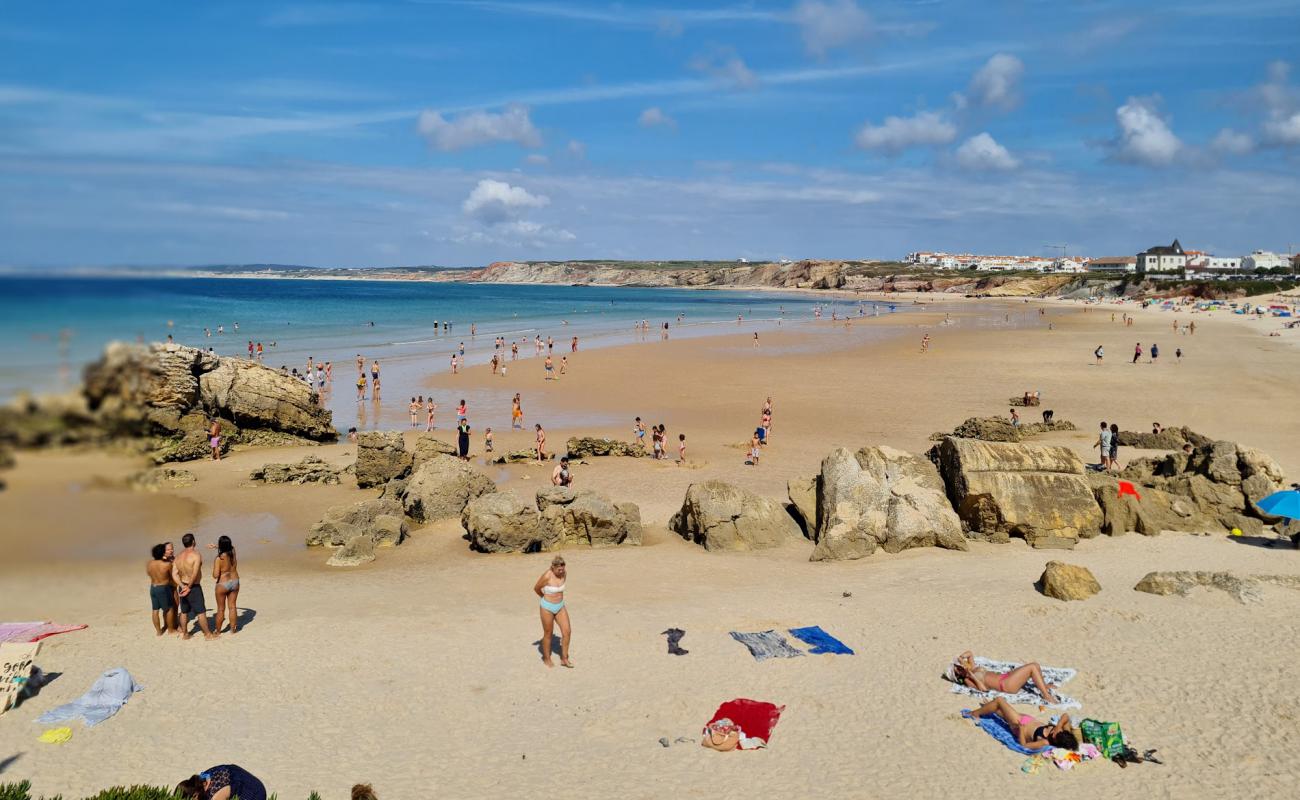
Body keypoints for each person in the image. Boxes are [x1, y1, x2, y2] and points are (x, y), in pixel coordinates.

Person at [948, 651, 1062, 704]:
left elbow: (970, 653)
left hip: (1006, 676)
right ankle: (1046, 695)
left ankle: (1043, 686)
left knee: (1035, 664)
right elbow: (983, 689)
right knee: (1032, 667)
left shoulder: (972, 667)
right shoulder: (968, 680)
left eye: (957, 667)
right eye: (957, 669)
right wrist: (971, 675)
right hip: (1006, 685)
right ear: (958, 676)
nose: (960, 668)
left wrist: (961, 658)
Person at [965, 699, 1077, 752]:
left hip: (1018, 724)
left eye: (1054, 737)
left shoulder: (1045, 741)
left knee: (999, 701)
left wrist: (1022, 730)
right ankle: (989, 706)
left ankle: (973, 714)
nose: (1053, 734)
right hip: (1022, 717)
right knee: (996, 708)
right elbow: (1066, 716)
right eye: (1057, 733)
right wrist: (1058, 727)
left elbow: (1024, 745)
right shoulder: (1062, 732)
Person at [173, 533, 216, 640]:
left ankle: (185, 634)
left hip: (182, 586)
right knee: (201, 611)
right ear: (193, 542)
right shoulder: (196, 555)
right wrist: (189, 587)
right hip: (193, 587)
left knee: (184, 611)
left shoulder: (178, 556)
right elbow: (195, 573)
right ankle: (208, 635)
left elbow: (174, 574)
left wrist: (182, 586)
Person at [534, 555, 572, 668]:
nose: (561, 571)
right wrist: (544, 597)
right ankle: (546, 658)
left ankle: (564, 658)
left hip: (560, 606)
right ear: (552, 567)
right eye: (558, 569)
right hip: (547, 607)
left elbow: (560, 588)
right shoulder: (546, 576)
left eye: (563, 569)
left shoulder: (564, 573)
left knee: (567, 632)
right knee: (548, 634)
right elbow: (536, 588)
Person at [175, 765, 267, 800]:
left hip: (254, 792)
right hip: (237, 776)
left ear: (195, 795)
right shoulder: (202, 777)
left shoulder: (216, 795)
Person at [211, 535, 241, 634]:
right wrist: (217, 547)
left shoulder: (219, 559)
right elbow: (230, 547)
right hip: (235, 581)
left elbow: (215, 575)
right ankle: (233, 630)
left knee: (220, 609)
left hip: (223, 584)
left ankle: (218, 631)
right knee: (232, 606)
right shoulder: (233, 551)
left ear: (220, 546)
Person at [147, 543, 176, 637]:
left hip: (153, 587)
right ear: (163, 553)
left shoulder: (149, 564)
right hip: (163, 588)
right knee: (169, 609)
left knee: (155, 610)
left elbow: (149, 574)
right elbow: (172, 577)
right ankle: (171, 630)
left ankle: (159, 631)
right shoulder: (167, 564)